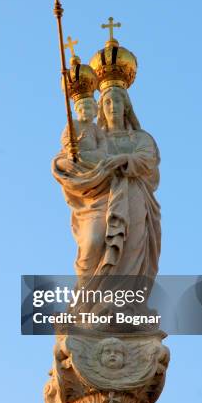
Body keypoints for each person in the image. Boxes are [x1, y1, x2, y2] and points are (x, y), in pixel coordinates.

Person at [52, 85, 161, 293]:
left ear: (126, 106)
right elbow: (64, 158)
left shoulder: (140, 138)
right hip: (98, 198)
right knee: (92, 242)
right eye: (107, 102)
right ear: (100, 107)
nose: (113, 107)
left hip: (132, 196)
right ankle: (86, 302)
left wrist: (121, 160)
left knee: (131, 247)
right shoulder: (90, 135)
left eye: (117, 101)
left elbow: (147, 160)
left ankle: (120, 305)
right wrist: (66, 163)